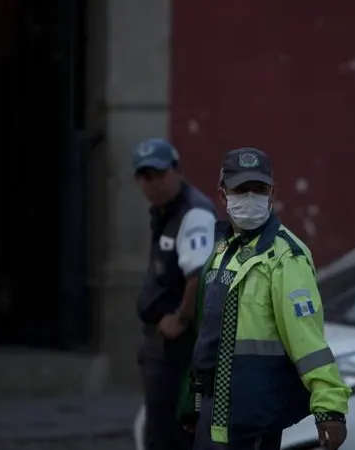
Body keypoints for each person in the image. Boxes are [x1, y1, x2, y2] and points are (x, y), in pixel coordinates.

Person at [178, 147, 351, 450]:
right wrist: (192, 400)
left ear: (272, 193)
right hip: (214, 416)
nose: (250, 197)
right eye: (241, 189)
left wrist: (329, 408)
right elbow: (207, 337)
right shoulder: (221, 252)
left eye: (258, 189)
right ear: (223, 194)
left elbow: (308, 342)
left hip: (253, 418)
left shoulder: (285, 256)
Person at [133, 138, 217, 450]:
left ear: (177, 171)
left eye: (160, 173)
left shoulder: (192, 214)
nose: (154, 183)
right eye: (145, 177)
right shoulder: (166, 211)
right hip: (165, 349)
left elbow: (200, 276)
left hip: (180, 350)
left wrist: (181, 318)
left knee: (170, 436)